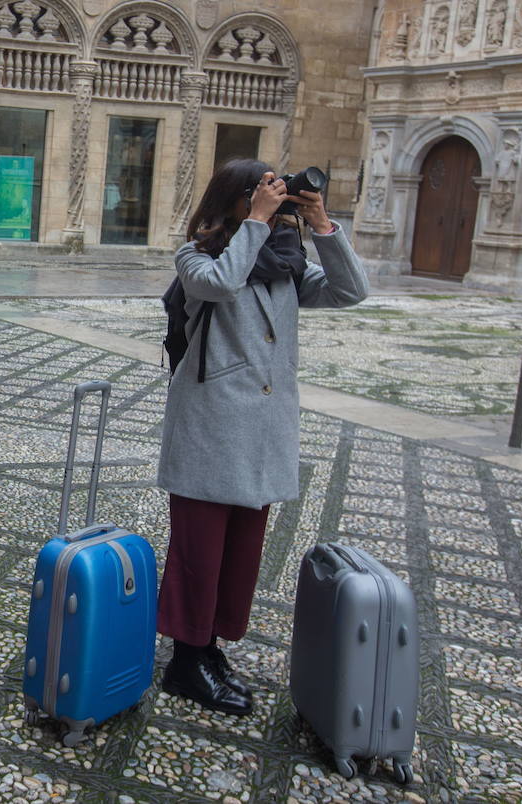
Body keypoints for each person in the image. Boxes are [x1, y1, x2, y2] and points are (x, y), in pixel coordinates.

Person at [155, 159, 368, 715]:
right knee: (199, 552)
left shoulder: (285, 263)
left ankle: (210, 648)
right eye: (260, 192)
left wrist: (322, 225)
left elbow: (351, 291)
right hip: (211, 426)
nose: (273, 200)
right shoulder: (196, 256)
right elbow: (222, 283)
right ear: (235, 198)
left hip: (263, 431)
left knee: (240, 553)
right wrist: (255, 221)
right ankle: (186, 660)